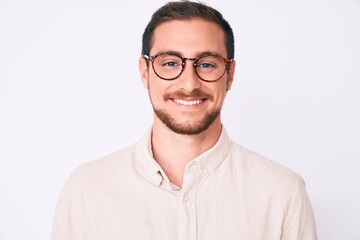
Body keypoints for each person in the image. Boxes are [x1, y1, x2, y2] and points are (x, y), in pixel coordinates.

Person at [51, 1, 317, 239]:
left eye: (206, 64)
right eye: (170, 63)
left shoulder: (282, 194)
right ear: (145, 72)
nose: (189, 84)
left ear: (230, 74)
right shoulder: (87, 191)